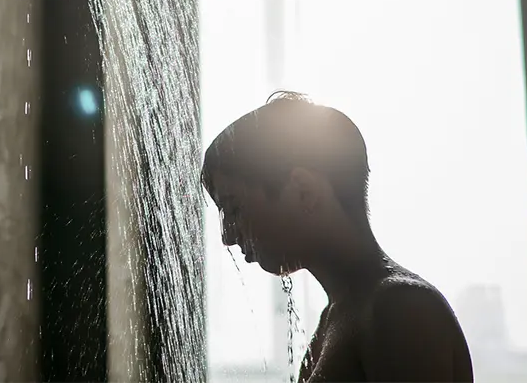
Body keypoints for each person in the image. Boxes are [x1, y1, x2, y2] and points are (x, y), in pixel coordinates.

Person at [201, 91, 474, 382]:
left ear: (305, 191)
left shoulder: (401, 310)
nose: (227, 236)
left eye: (233, 208)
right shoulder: (343, 313)